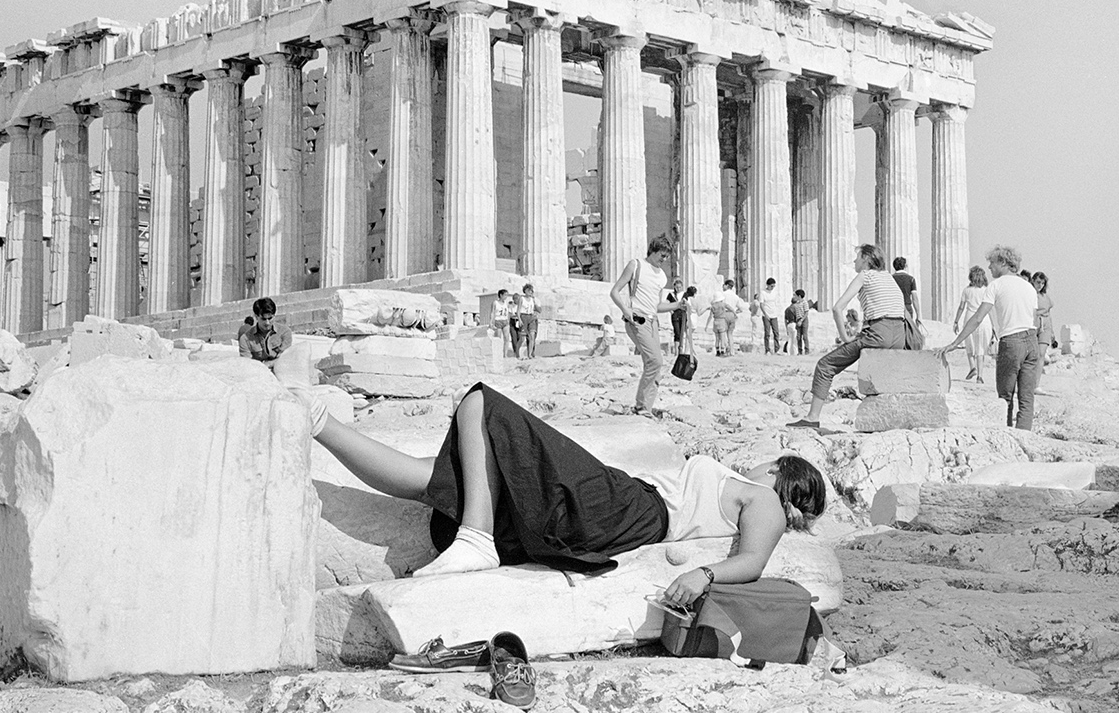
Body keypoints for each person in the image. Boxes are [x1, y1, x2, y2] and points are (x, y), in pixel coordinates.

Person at [303, 383, 828, 606]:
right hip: (617, 503)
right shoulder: (746, 493)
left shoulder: (764, 500)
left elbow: (753, 561)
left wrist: (704, 574)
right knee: (433, 480)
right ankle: (319, 422)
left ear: (781, 471)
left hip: (627, 507)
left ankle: (477, 537)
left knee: (482, 402)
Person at [791, 244, 918, 429]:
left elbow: (837, 308)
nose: (854, 260)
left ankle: (812, 417)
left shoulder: (865, 276)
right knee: (879, 374)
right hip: (899, 335)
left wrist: (845, 338)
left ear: (866, 259)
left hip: (878, 333)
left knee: (825, 365)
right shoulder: (889, 278)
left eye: (857, 257)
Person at [938, 245, 1042, 431]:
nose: (989, 267)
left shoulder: (996, 285)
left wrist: (956, 343)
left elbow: (978, 317)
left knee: (1005, 397)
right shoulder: (1029, 287)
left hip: (1012, 341)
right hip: (1031, 340)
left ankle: (1008, 437)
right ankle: (1025, 436)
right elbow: (1034, 319)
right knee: (1026, 397)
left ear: (1003, 262)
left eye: (992, 263)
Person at [608, 236, 682, 415]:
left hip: (653, 321)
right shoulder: (636, 265)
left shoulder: (662, 276)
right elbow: (615, 291)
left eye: (666, 257)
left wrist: (677, 305)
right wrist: (625, 310)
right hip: (637, 319)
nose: (664, 260)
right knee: (656, 360)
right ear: (653, 250)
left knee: (655, 365)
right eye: (662, 256)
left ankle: (645, 408)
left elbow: (656, 306)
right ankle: (641, 405)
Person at [953, 266, 994, 382]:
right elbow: (989, 308)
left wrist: (956, 321)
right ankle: (980, 376)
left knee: (969, 344)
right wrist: (994, 326)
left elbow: (961, 307)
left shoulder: (967, 290)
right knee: (980, 347)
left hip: (970, 317)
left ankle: (972, 367)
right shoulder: (986, 290)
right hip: (984, 319)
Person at [237, 297, 291, 371]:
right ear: (256, 317)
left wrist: (268, 364)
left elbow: (286, 358)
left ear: (274, 316)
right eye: (263, 319)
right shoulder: (245, 339)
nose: (267, 323)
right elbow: (247, 365)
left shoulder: (285, 332)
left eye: (270, 318)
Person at [710, 281, 745, 357]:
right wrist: (735, 312)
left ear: (727, 285)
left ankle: (724, 350)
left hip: (724, 315)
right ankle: (732, 351)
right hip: (732, 314)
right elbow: (741, 308)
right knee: (730, 334)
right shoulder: (736, 296)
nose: (722, 287)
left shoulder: (723, 295)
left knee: (722, 334)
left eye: (724, 285)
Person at [756, 278, 787, 355]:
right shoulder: (763, 293)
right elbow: (761, 304)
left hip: (774, 314)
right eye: (771, 286)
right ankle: (767, 350)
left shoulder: (774, 292)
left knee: (776, 332)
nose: (773, 288)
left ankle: (777, 349)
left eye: (774, 286)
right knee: (767, 333)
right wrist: (765, 314)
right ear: (768, 285)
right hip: (766, 315)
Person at [671, 286, 698, 358]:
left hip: (686, 316)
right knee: (687, 335)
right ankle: (687, 351)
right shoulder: (693, 300)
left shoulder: (685, 298)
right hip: (691, 317)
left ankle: (683, 350)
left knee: (684, 335)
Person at [1032, 271, 1057, 351]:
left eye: (1043, 283)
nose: (1040, 285)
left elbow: (1049, 315)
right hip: (1033, 324)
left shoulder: (1046, 297)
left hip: (1045, 325)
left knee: (1041, 353)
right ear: (1033, 281)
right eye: (1038, 282)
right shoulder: (1028, 294)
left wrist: (1052, 334)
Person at [516, 284, 540, 360]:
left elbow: (537, 309)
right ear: (525, 290)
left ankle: (529, 354)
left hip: (531, 317)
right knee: (522, 338)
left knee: (532, 336)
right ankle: (517, 352)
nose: (530, 292)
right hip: (524, 317)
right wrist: (519, 319)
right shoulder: (521, 298)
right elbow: (518, 310)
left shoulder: (533, 299)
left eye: (531, 290)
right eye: (529, 290)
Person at [784, 289, 811, 355]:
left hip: (803, 320)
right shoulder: (797, 304)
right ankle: (799, 351)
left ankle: (807, 350)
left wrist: (801, 320)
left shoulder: (805, 302)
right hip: (798, 320)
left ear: (799, 296)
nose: (794, 296)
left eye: (795, 295)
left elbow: (806, 312)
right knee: (798, 337)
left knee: (804, 336)